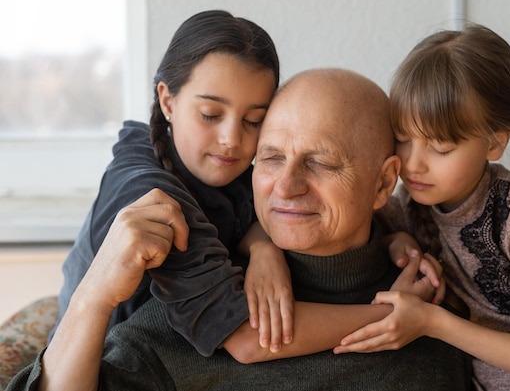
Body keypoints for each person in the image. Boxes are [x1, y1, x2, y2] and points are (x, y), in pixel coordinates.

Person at [8, 68, 471, 391]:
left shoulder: (441, 311)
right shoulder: (196, 311)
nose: (285, 186)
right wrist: (93, 297)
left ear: (384, 183)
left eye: (321, 162)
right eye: (270, 158)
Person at [334, 24, 510, 390]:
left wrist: (430, 322)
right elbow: (346, 219)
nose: (413, 164)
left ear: (494, 143)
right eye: (403, 139)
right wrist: (393, 241)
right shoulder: (410, 205)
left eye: (440, 148)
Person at [49, 9, 298, 356]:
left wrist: (263, 247)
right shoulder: (146, 191)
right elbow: (236, 331)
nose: (232, 138)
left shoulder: (230, 168)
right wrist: (391, 320)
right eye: (210, 115)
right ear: (168, 100)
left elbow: (251, 217)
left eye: (254, 120)